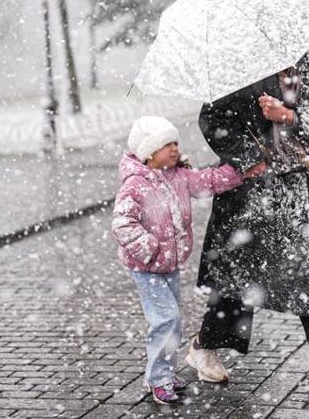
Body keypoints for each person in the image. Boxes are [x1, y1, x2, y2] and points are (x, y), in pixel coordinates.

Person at [185, 51, 309, 395]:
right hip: (252, 190)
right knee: (239, 276)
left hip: (301, 184)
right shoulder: (234, 60)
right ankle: (204, 345)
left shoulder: (305, 59)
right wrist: (248, 158)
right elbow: (211, 120)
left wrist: (288, 115)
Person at [110, 116, 265, 404]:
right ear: (149, 152)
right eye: (166, 144)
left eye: (175, 143)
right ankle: (158, 379)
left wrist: (240, 172)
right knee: (166, 320)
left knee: (171, 320)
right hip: (148, 267)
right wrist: (151, 249)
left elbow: (208, 181)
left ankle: (164, 373)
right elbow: (122, 225)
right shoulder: (134, 185)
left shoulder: (178, 176)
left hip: (169, 264)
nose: (174, 148)